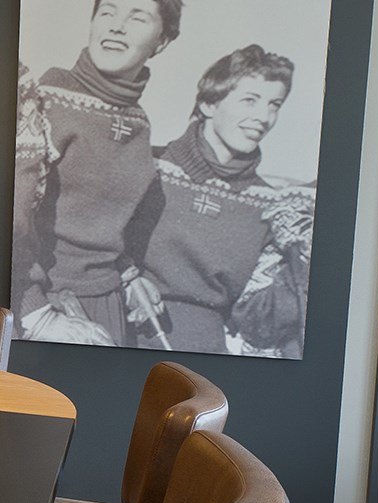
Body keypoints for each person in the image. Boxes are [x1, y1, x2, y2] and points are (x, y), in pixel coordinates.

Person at [14, 0, 182, 346]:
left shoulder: (139, 122)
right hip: (50, 309)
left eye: (138, 18)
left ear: (162, 41)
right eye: (108, 12)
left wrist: (128, 274)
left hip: (108, 303)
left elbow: (101, 224)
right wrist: (36, 313)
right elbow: (11, 223)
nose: (117, 26)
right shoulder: (46, 100)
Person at [129, 44, 314, 357]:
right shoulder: (146, 167)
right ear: (208, 104)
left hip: (207, 357)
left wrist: (307, 264)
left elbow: (256, 319)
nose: (264, 117)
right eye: (250, 100)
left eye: (274, 104)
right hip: (120, 338)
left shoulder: (270, 204)